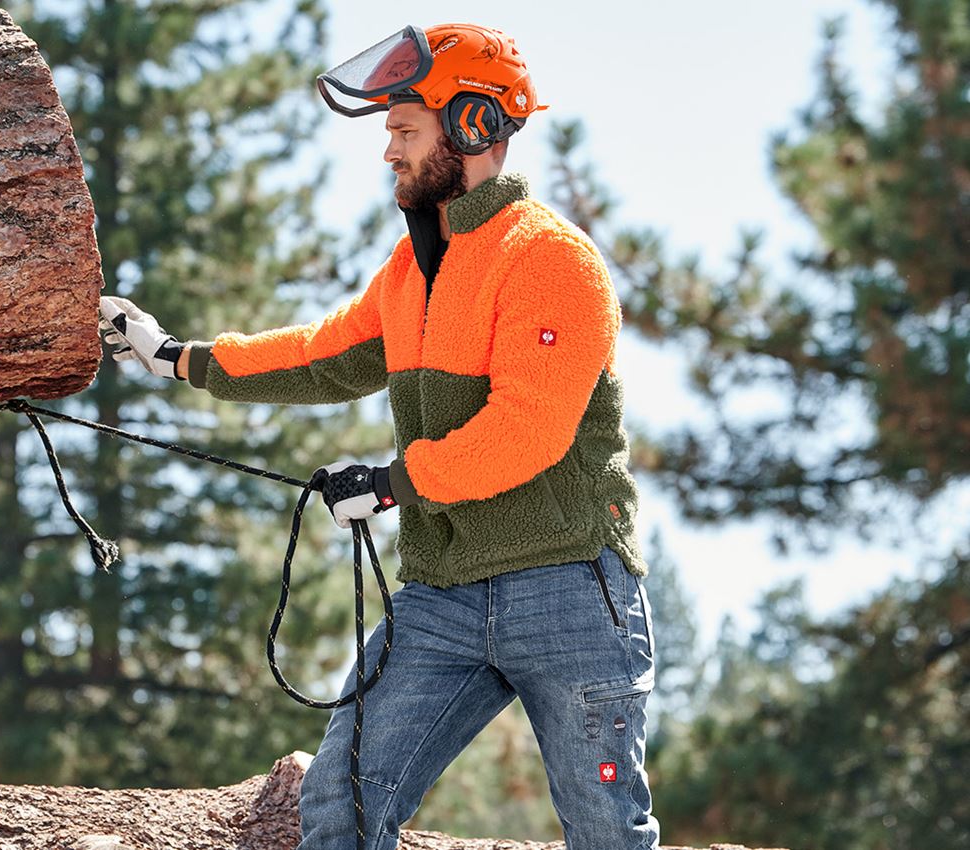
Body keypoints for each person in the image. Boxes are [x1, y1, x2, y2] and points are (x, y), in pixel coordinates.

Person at [99, 23, 659, 850]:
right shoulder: (411, 274)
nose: (388, 151)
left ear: (472, 124)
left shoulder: (550, 259)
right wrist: (178, 357)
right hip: (442, 596)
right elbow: (318, 357)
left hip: (569, 588)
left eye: (404, 129)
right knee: (339, 809)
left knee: (606, 835)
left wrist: (396, 483)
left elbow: (526, 433)